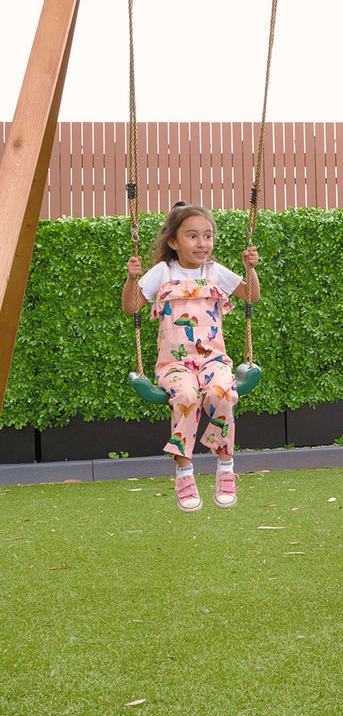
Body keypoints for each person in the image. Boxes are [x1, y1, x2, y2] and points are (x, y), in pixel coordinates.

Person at [122, 202, 260, 512]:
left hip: (212, 361)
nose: (202, 244)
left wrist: (250, 269)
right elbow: (131, 307)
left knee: (222, 392)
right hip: (174, 365)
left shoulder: (215, 271)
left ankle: (225, 467)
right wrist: (132, 279)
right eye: (193, 236)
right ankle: (184, 473)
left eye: (208, 236)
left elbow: (251, 295)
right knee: (186, 395)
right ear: (173, 241)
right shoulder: (163, 272)